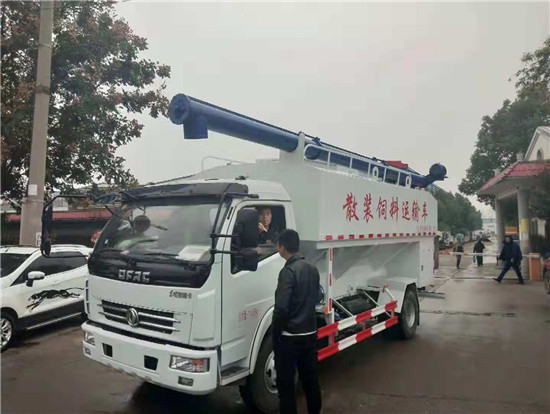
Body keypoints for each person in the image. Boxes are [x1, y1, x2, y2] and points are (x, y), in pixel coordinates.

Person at [272, 229, 322, 414]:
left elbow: (281, 309)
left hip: (290, 337)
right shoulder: (312, 269)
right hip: (310, 334)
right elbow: (316, 298)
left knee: (286, 385)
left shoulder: (287, 272)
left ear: (282, 247)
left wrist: (276, 333)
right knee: (311, 380)